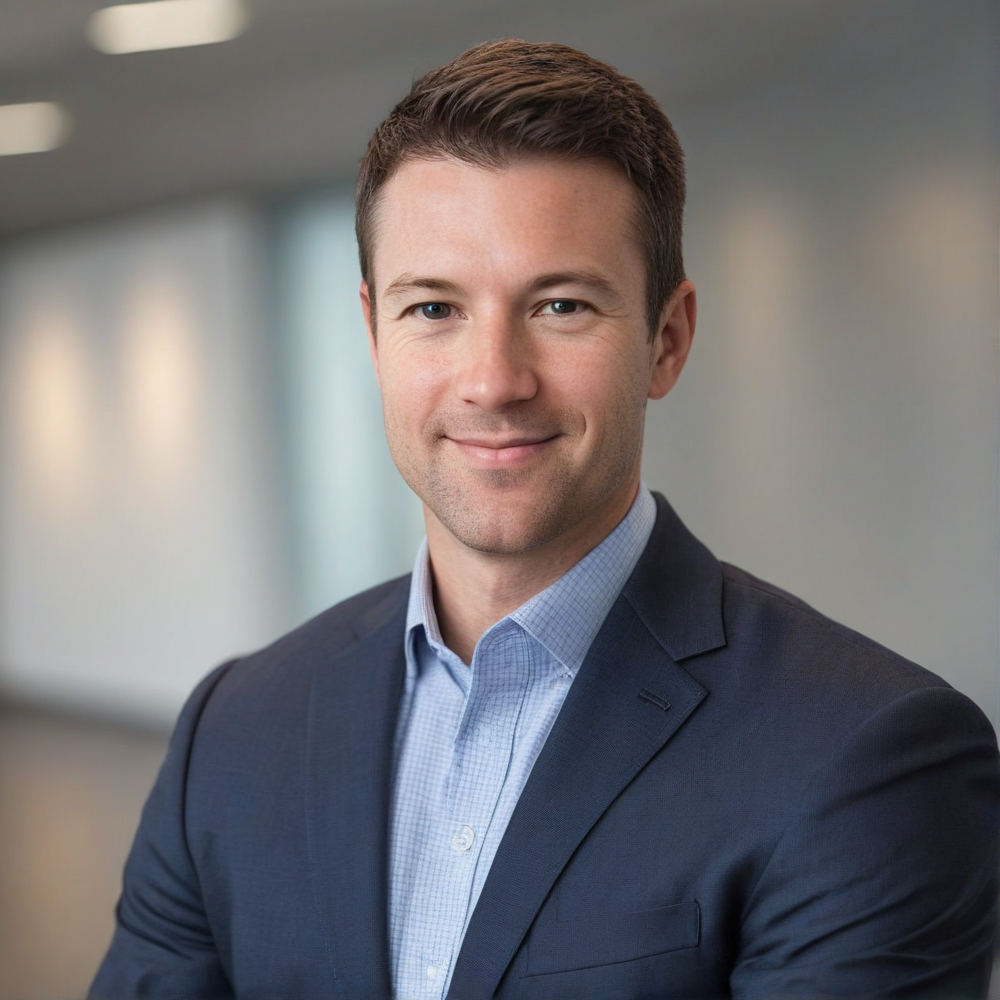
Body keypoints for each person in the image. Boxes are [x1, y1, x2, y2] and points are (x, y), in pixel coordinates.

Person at [90, 39, 999, 1000]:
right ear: (371, 334)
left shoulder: (866, 754)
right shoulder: (233, 730)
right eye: (434, 308)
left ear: (667, 339)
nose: (494, 381)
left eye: (561, 305)